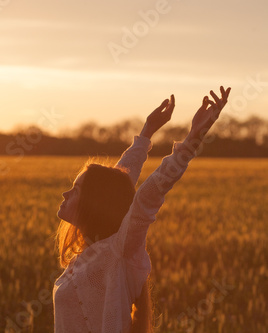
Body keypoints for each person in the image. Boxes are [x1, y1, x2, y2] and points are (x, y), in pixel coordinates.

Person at [53, 86, 231, 333]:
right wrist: (146, 133)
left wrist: (192, 139)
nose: (65, 194)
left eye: (76, 190)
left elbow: (147, 196)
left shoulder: (117, 252)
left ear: (93, 204)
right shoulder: (84, 257)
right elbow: (115, 185)